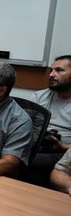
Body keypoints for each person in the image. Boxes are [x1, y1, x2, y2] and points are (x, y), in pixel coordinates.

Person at [26, 55, 71, 186]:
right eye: (51, 70)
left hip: (63, 153)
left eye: (59, 70)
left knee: (25, 162)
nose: (51, 74)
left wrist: (64, 146)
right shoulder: (39, 97)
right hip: (35, 146)